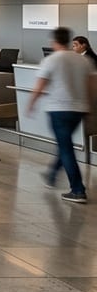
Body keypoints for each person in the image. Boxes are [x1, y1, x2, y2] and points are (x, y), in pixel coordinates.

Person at [29, 27, 97, 203]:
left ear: (54, 41)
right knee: (65, 144)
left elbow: (40, 85)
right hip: (79, 109)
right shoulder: (84, 62)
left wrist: (31, 103)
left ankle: (78, 189)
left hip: (58, 109)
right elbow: (91, 86)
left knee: (65, 147)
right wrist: (89, 106)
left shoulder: (51, 59)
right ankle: (51, 175)